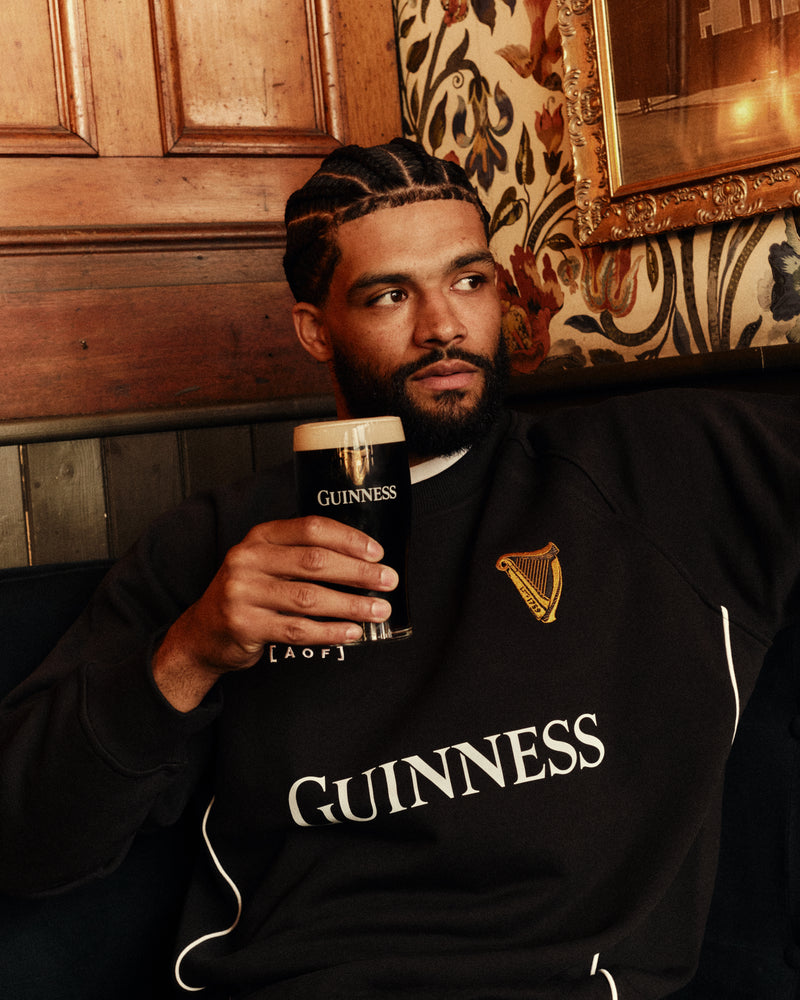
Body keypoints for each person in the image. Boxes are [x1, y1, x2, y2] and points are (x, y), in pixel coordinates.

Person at [0, 137, 799, 1000]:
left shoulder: (648, 469)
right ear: (316, 330)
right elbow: (26, 845)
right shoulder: (212, 546)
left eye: (469, 281)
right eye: (390, 295)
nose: (443, 325)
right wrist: (191, 651)